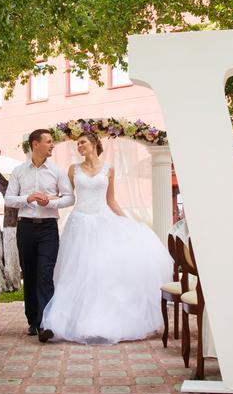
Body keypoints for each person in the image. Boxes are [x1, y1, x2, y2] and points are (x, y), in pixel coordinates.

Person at [39, 132, 170, 344]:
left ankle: (100, 322)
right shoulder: (74, 169)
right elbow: (68, 196)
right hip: (79, 223)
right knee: (77, 272)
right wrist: (49, 199)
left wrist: (128, 222)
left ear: (93, 144)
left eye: (82, 142)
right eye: (77, 143)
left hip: (102, 222)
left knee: (101, 271)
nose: (79, 146)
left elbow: (111, 200)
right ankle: (67, 323)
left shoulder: (109, 169)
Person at [4, 129, 74, 340]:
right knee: (30, 273)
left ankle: (46, 323)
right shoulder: (18, 171)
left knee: (45, 274)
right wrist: (28, 198)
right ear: (35, 144)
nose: (52, 145)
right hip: (25, 228)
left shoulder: (57, 171)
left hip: (48, 229)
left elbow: (70, 197)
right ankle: (33, 321)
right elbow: (8, 199)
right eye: (49, 142)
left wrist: (50, 202)